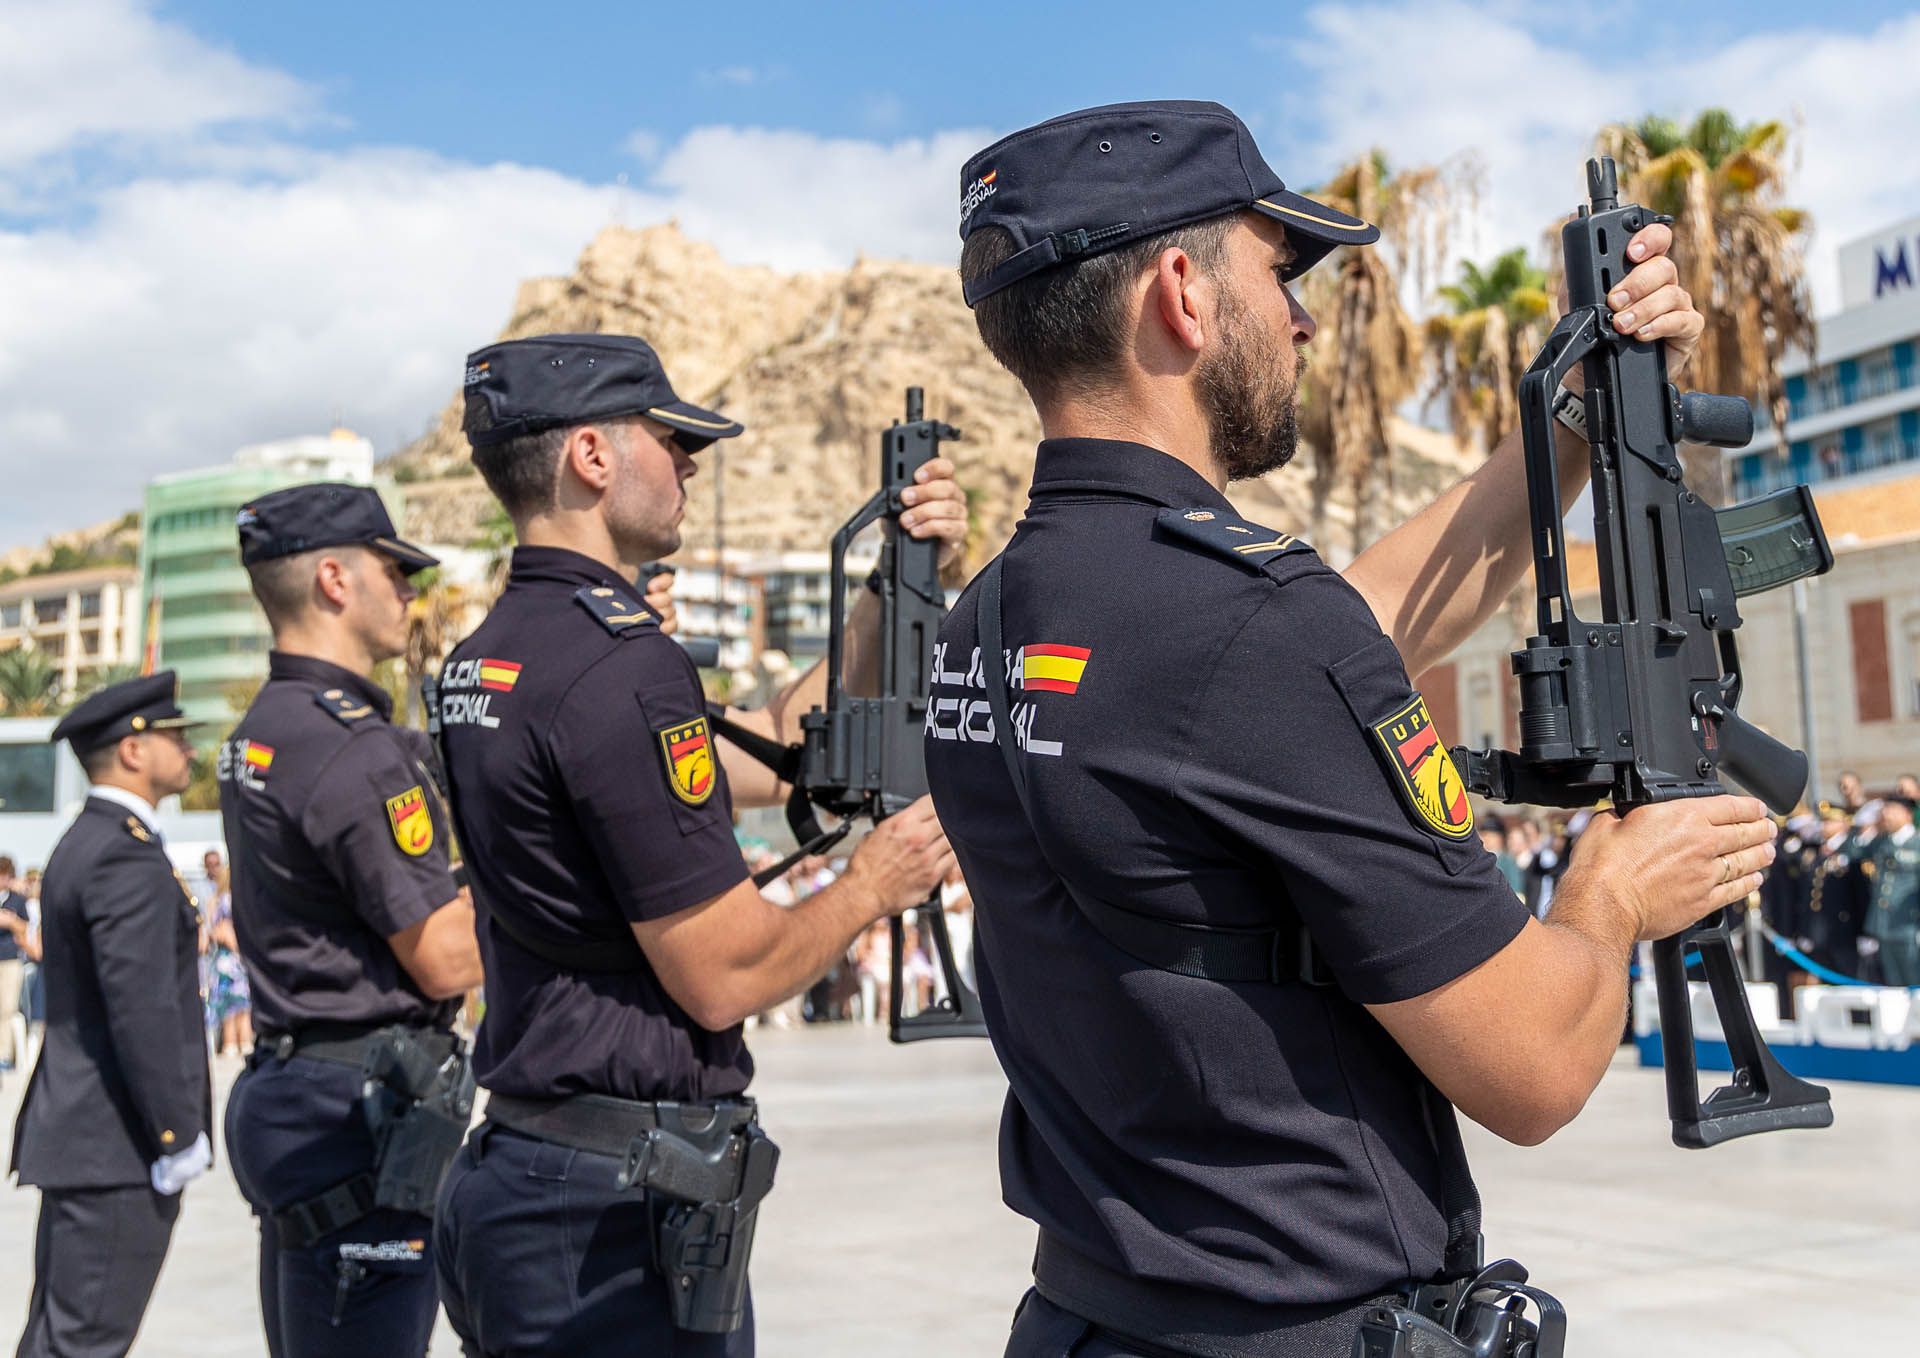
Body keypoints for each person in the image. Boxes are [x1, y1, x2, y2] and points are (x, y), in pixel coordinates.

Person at [923, 99, 1779, 1357]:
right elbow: (1533, 1066)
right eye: (1280, 273)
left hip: (1090, 1316)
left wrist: (1578, 416)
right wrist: (1611, 891)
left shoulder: (985, 623)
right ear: (1183, 292)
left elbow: (1354, 621)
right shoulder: (1252, 629)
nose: (1306, 318)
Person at [432, 332, 961, 1357]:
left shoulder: (490, 655)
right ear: (592, 455)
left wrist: (892, 583)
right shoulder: (622, 667)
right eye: (670, 441)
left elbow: (771, 746)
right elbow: (724, 974)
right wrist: (871, 885)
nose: (689, 465)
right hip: (607, 1217)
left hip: (528, 1177)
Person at [218, 483, 485, 1358]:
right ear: (335, 579)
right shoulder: (350, 747)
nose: (407, 590)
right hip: (359, 1111)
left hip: (299, 1090)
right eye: (391, 567)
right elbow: (447, 959)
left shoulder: (269, 725)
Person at [10, 672, 213, 1358]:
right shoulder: (121, 854)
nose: (187, 752)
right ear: (132, 751)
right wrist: (176, 1134)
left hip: (92, 1140)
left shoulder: (95, 841)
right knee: (84, 1343)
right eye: (173, 738)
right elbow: (142, 1009)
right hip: (117, 1147)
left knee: (59, 1338)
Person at [1862, 794, 1920, 985]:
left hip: (1909, 926)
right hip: (1884, 926)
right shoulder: (1880, 843)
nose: (1886, 815)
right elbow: (1851, 851)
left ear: (1907, 814)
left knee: (1915, 982)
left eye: (1892, 810)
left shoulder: (1917, 843)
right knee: (1894, 988)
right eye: (1885, 810)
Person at [204, 862, 254, 1056]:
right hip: (233, 958)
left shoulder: (217, 900)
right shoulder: (230, 900)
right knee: (241, 1004)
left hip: (225, 959)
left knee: (230, 1006)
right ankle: (242, 1041)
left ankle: (232, 1043)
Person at [0, 856, 27, 1070]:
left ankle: (4, 1055)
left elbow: (27, 929)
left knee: (7, 1009)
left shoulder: (17, 901)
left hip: (10, 960)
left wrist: (12, 922)